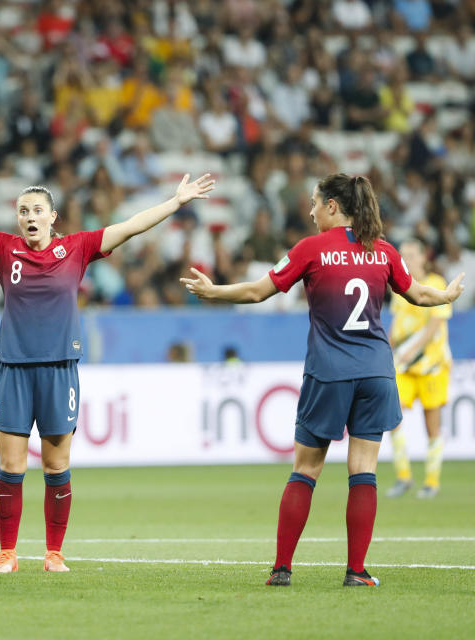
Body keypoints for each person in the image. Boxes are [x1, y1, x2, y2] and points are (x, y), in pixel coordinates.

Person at [0, 171, 215, 573]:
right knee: (11, 467)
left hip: (59, 368)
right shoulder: (2, 248)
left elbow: (130, 227)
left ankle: (54, 553)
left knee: (55, 465)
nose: (30, 217)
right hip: (13, 368)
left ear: (53, 218)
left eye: (37, 210)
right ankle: (7, 553)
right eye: (23, 210)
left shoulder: (77, 249)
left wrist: (175, 201)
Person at [180, 174, 464, 587]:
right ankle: (357, 572)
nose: (311, 213)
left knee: (306, 468)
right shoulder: (382, 251)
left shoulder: (310, 249)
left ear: (332, 206)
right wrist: (448, 296)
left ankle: (281, 569)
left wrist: (214, 292)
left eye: (314, 204)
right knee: (363, 469)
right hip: (376, 373)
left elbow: (260, 292)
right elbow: (420, 295)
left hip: (329, 372)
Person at [386, 238, 452, 499]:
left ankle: (431, 482)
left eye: (412, 254)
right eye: (403, 255)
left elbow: (436, 324)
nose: (407, 260)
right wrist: (385, 347)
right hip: (403, 366)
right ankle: (403, 477)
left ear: (424, 257)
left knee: (431, 425)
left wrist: (413, 350)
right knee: (392, 418)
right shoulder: (399, 287)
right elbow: (397, 324)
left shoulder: (436, 284)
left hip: (432, 366)